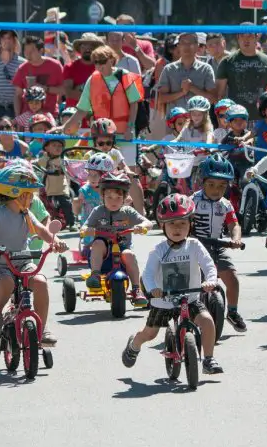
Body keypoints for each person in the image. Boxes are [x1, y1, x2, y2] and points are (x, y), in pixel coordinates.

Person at [122, 193, 223, 375]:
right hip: (164, 301)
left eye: (183, 223)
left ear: (190, 224)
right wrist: (154, 289)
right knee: (150, 334)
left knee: (207, 321)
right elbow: (148, 274)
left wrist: (210, 280)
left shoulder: (194, 245)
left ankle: (208, 359)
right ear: (162, 225)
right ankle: (134, 345)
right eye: (172, 224)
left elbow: (208, 265)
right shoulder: (158, 250)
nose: (178, 228)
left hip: (189, 298)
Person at [0, 164, 66, 344]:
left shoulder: (26, 213)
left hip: (22, 260)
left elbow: (42, 231)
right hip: (1, 263)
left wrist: (55, 241)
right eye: (28, 195)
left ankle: (42, 328)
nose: (32, 199)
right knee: (6, 284)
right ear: (15, 194)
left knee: (40, 282)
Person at [53, 46, 144, 175]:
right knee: (98, 174)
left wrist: (130, 127)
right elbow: (82, 110)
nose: (99, 65)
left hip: (124, 133)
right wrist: (64, 127)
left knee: (130, 174)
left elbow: (134, 104)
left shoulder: (124, 75)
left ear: (111, 60)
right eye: (96, 62)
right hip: (101, 136)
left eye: (102, 61)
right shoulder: (92, 80)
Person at [191, 154, 246, 332]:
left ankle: (232, 311)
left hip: (217, 247)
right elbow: (181, 220)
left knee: (233, 279)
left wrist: (236, 238)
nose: (216, 190)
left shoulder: (226, 205)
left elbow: (233, 224)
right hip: (195, 248)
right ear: (202, 182)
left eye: (222, 186)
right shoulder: (193, 202)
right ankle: (186, 312)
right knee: (191, 282)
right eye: (211, 185)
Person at [81, 172, 153, 305]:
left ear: (125, 197)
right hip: (103, 254)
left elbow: (148, 223)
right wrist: (86, 230)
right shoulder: (98, 211)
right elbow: (85, 226)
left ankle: (137, 289)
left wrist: (141, 226)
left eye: (118, 197)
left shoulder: (128, 212)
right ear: (102, 196)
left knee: (129, 254)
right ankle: (95, 275)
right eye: (109, 197)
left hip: (122, 250)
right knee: (97, 243)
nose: (113, 201)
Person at [216, 23, 267, 121]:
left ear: (256, 37)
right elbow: (219, 96)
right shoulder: (226, 62)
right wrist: (221, 122)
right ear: (237, 37)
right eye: (242, 35)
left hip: (261, 121)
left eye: (250, 35)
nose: (246, 39)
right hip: (234, 120)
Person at [157, 32, 216, 116]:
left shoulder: (206, 69)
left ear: (197, 46)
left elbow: (212, 98)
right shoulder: (169, 69)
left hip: (200, 124)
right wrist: (182, 92)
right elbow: (161, 98)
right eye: (183, 43)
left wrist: (192, 88)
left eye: (190, 43)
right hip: (175, 123)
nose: (186, 46)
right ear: (178, 46)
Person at [73, 153, 115, 257]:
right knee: (89, 241)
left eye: (96, 175)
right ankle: (87, 248)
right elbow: (76, 211)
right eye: (90, 174)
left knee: (108, 239)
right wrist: (77, 203)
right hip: (89, 221)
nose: (92, 177)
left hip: (105, 221)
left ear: (105, 175)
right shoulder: (85, 190)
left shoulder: (109, 190)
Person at [13, 35, 63, 118]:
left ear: (41, 50)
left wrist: (45, 88)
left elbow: (64, 90)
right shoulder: (22, 68)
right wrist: (18, 116)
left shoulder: (55, 66)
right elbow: (18, 95)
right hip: (28, 116)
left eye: (32, 51)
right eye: (25, 51)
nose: (28, 55)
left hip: (50, 115)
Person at [0, 30, 26, 119]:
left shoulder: (23, 63)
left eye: (9, 38)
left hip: (15, 108)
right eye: (3, 38)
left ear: (14, 41)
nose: (6, 40)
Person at [63, 33, 104, 109]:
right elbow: (68, 92)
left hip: (97, 112)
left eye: (91, 46)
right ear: (79, 49)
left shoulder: (102, 67)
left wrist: (78, 90)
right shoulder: (70, 67)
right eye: (83, 46)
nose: (87, 49)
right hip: (74, 113)